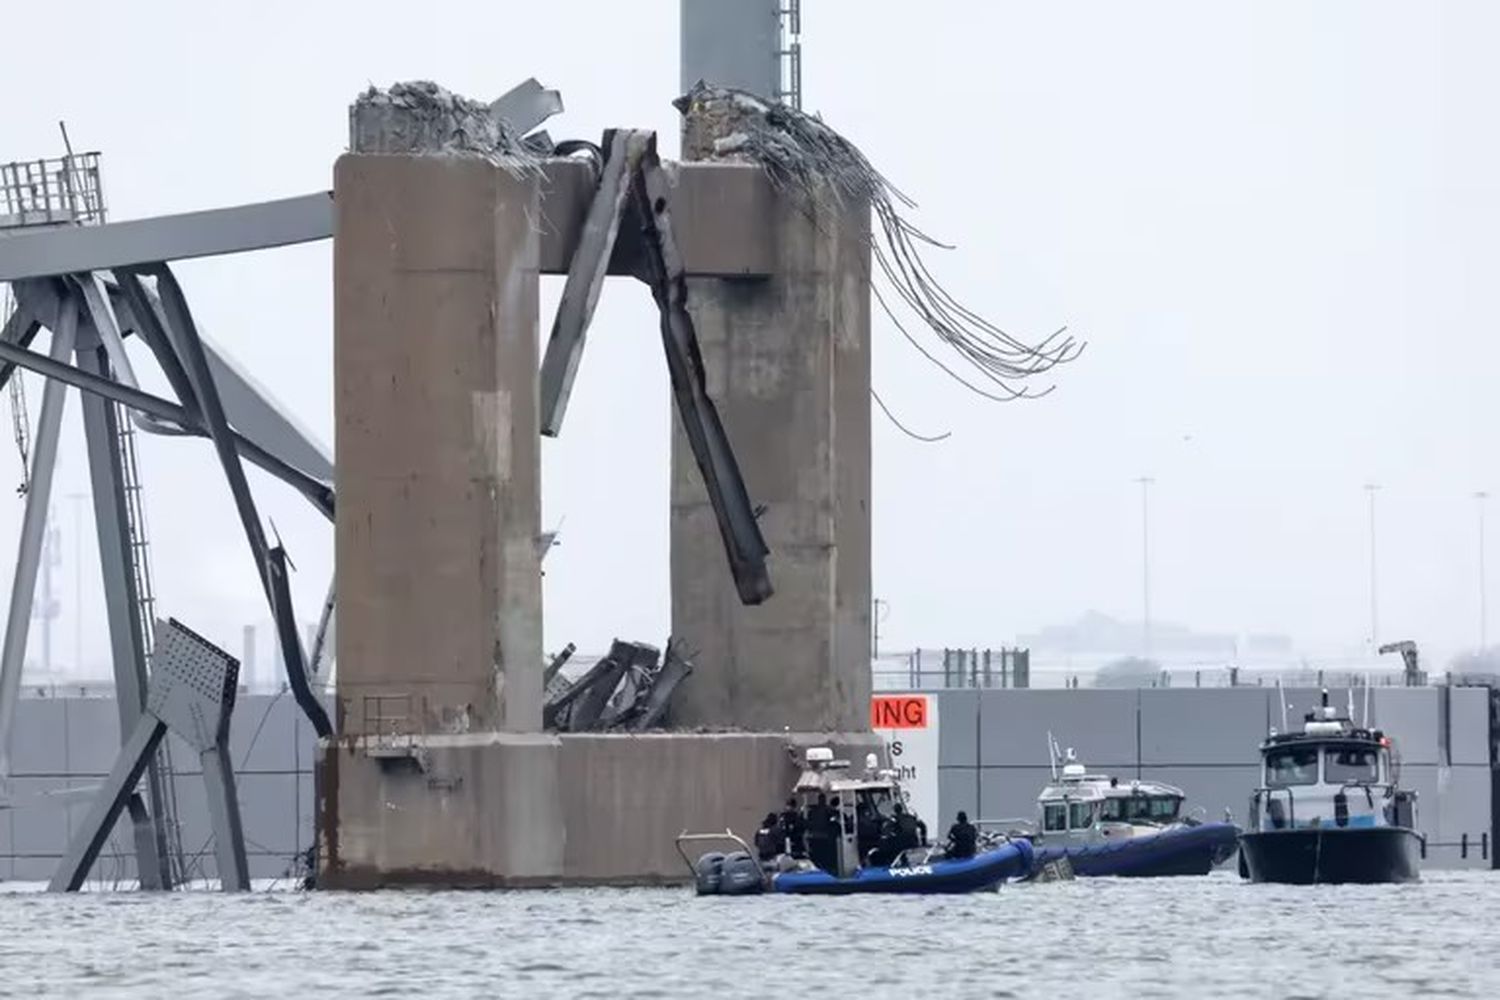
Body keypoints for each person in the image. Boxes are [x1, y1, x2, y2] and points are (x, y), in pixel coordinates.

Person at [804, 793, 834, 870]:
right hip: (824, 836)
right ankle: (825, 868)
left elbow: (808, 823)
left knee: (816, 856)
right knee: (825, 855)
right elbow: (832, 822)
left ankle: (817, 868)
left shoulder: (813, 810)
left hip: (814, 836)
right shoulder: (828, 810)